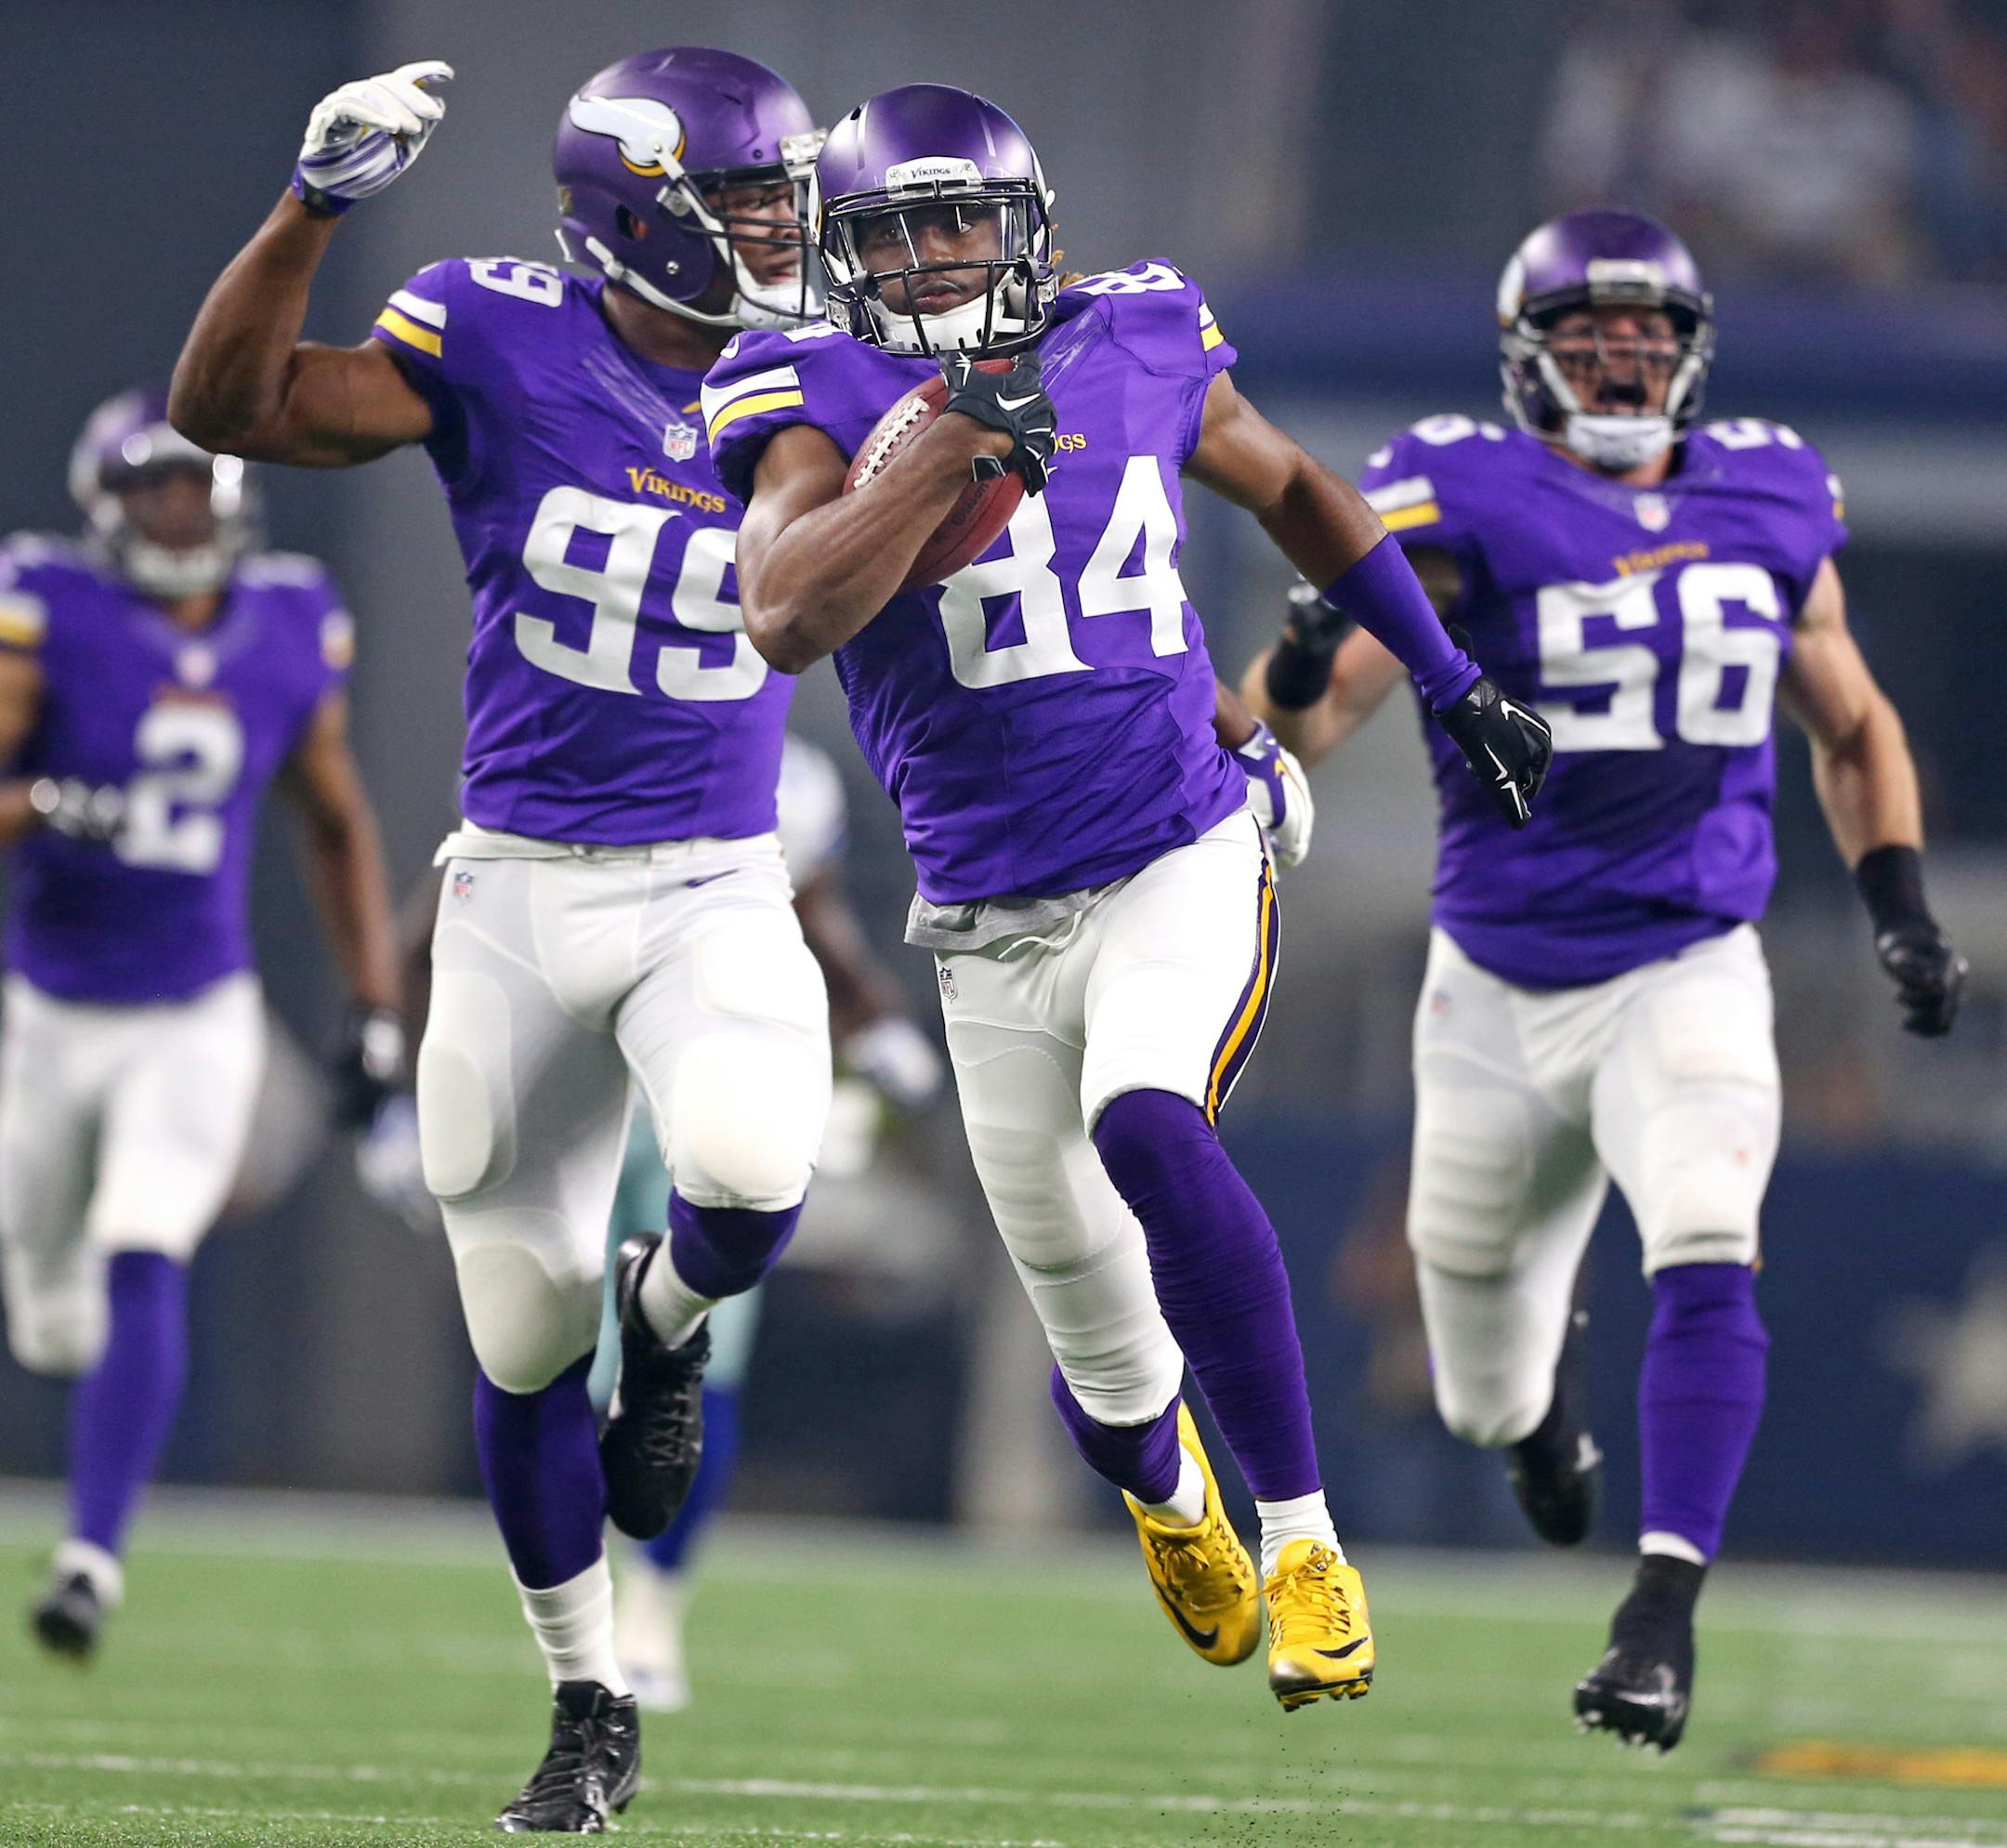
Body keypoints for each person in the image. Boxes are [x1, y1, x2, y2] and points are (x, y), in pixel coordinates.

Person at [707, 83, 1553, 1713]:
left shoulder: (1142, 331)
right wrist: (943, 437)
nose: (940, 257)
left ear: (1026, 231)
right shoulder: (810, 391)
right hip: (984, 916)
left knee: (1152, 1119)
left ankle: (1308, 1542)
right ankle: (1173, 1495)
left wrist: (1452, 685)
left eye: (964, 222)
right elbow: (787, 613)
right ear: (843, 256)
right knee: (1101, 1360)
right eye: (898, 231)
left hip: (1183, 837)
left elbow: (1298, 486)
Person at [171, 49, 836, 1831]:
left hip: (713, 874)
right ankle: (588, 1698)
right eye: (749, 200)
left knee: (756, 1176)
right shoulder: (498, 331)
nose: (785, 228)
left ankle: (673, 1311)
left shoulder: (826, 374)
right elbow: (230, 409)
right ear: (638, 213)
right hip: (522, 887)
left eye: (789, 196)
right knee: (523, 1329)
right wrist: (311, 206)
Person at [1243, 209, 1968, 1751]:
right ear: (1529, 356)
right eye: (1591, 337)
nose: (1623, 361)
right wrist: (1305, 654)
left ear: (1692, 354)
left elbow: (1851, 724)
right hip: (1494, 993)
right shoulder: (1464, 489)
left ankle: (1660, 1609)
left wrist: (1898, 897)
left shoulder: (1773, 489)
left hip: (1688, 961)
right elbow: (1294, 733)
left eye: (1648, 337)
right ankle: (1540, 1421)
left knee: (1709, 1236)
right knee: (1476, 1386)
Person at [0, 389, 400, 1661]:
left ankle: (92, 1559)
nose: (178, 510)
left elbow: (331, 818)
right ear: (106, 504)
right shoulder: (46, 605)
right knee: (48, 1314)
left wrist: (378, 1001)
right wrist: (40, 803)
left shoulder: (289, 619)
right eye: (153, 489)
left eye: (196, 487)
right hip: (49, 1007)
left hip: (195, 1005)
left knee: (146, 1243)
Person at [599, 732, 946, 1710]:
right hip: (599, 1077)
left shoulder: (786, 772)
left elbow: (813, 915)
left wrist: (873, 1019)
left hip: (718, 1082)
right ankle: (580, 1605)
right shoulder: (605, 713)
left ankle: (654, 1609)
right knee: (572, 1355)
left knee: (699, 1354)